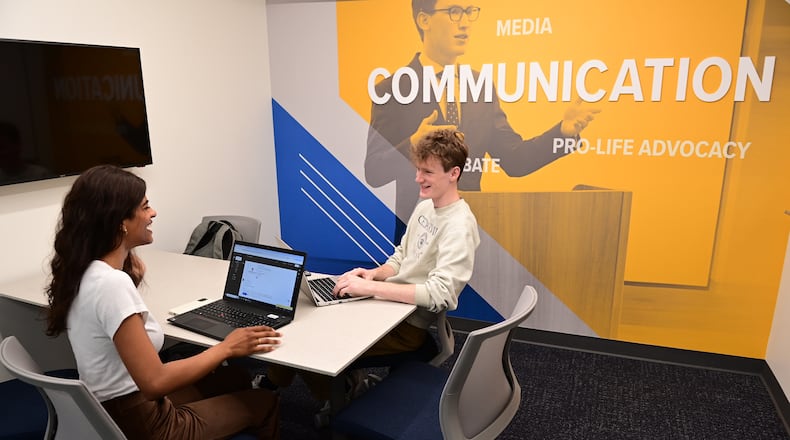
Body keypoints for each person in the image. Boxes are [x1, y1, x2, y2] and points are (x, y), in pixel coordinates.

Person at [44, 164, 282, 439]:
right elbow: (155, 383)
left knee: (236, 378)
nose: (153, 213)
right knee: (264, 402)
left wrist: (128, 268)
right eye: (145, 207)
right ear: (120, 222)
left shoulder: (84, 270)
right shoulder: (111, 284)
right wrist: (226, 348)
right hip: (142, 423)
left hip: (109, 407)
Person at [268, 128, 480, 405]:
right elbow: (401, 256)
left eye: (427, 172)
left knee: (314, 344)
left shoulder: (459, 226)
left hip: (407, 325)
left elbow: (441, 294)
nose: (418, 178)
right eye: (418, 169)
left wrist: (370, 288)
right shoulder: (426, 206)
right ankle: (278, 384)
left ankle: (339, 397)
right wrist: (374, 274)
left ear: (453, 173)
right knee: (305, 322)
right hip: (387, 306)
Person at [365, 0, 600, 241]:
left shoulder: (481, 86)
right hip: (416, 238)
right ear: (424, 20)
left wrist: (563, 133)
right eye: (454, 12)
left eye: (469, 12)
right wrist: (413, 145)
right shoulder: (393, 88)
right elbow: (374, 171)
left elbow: (515, 160)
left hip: (469, 238)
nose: (465, 23)